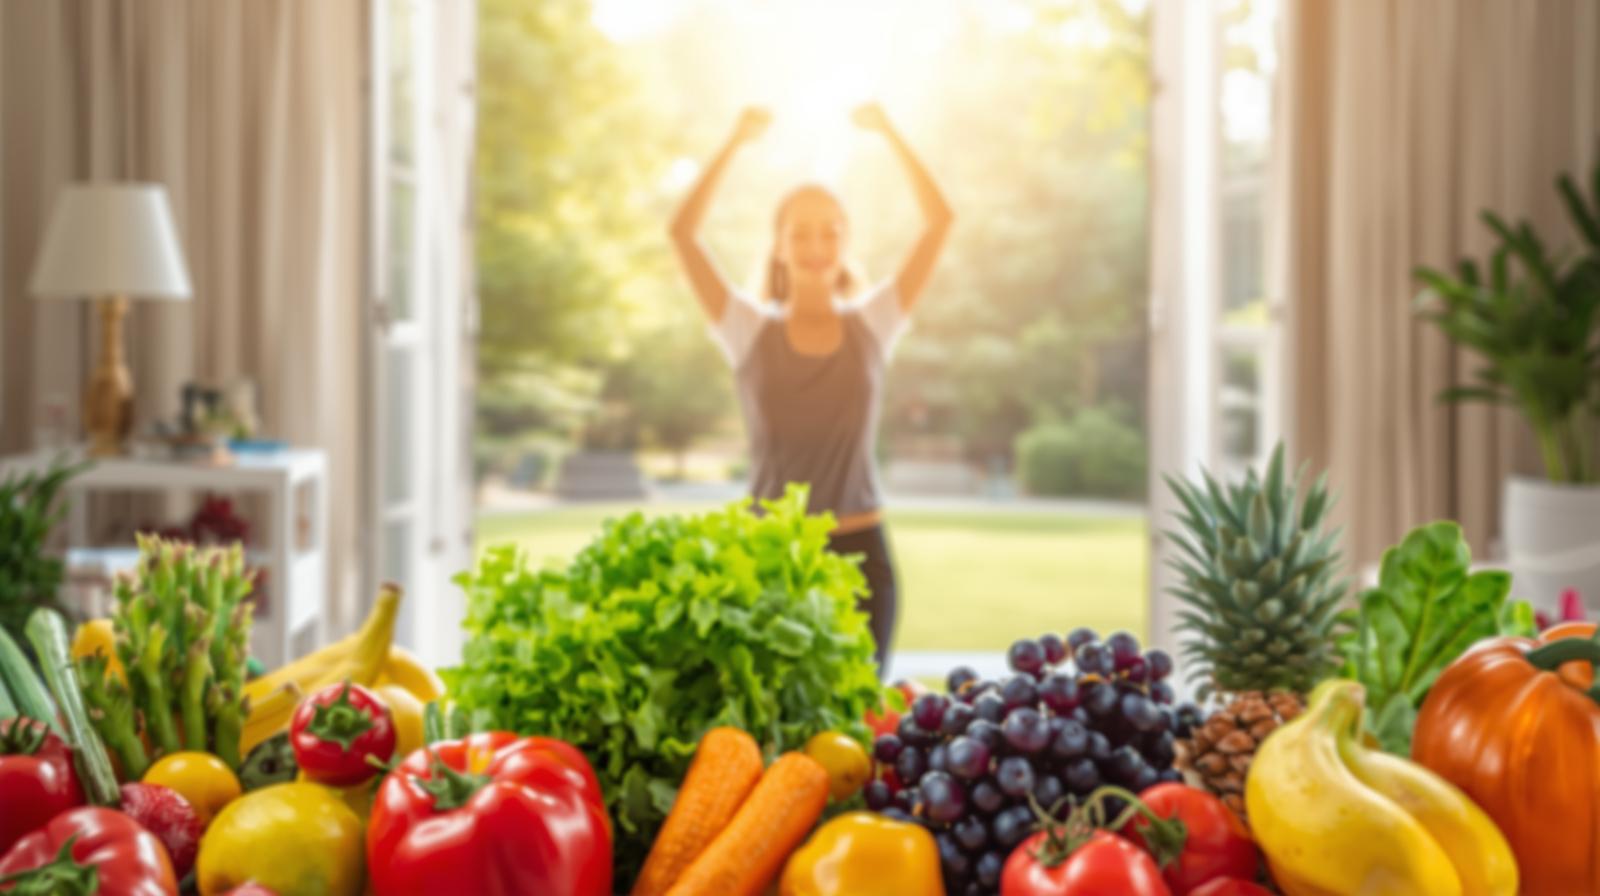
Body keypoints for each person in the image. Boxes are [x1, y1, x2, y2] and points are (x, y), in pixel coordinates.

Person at [669, 103, 953, 669]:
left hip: (860, 559)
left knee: (858, 739)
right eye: (800, 232)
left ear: (846, 242)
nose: (816, 243)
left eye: (831, 231)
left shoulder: (874, 323)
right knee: (774, 740)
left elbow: (939, 222)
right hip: (770, 561)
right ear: (778, 244)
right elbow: (682, 233)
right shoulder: (746, 330)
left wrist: (891, 133)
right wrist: (733, 141)